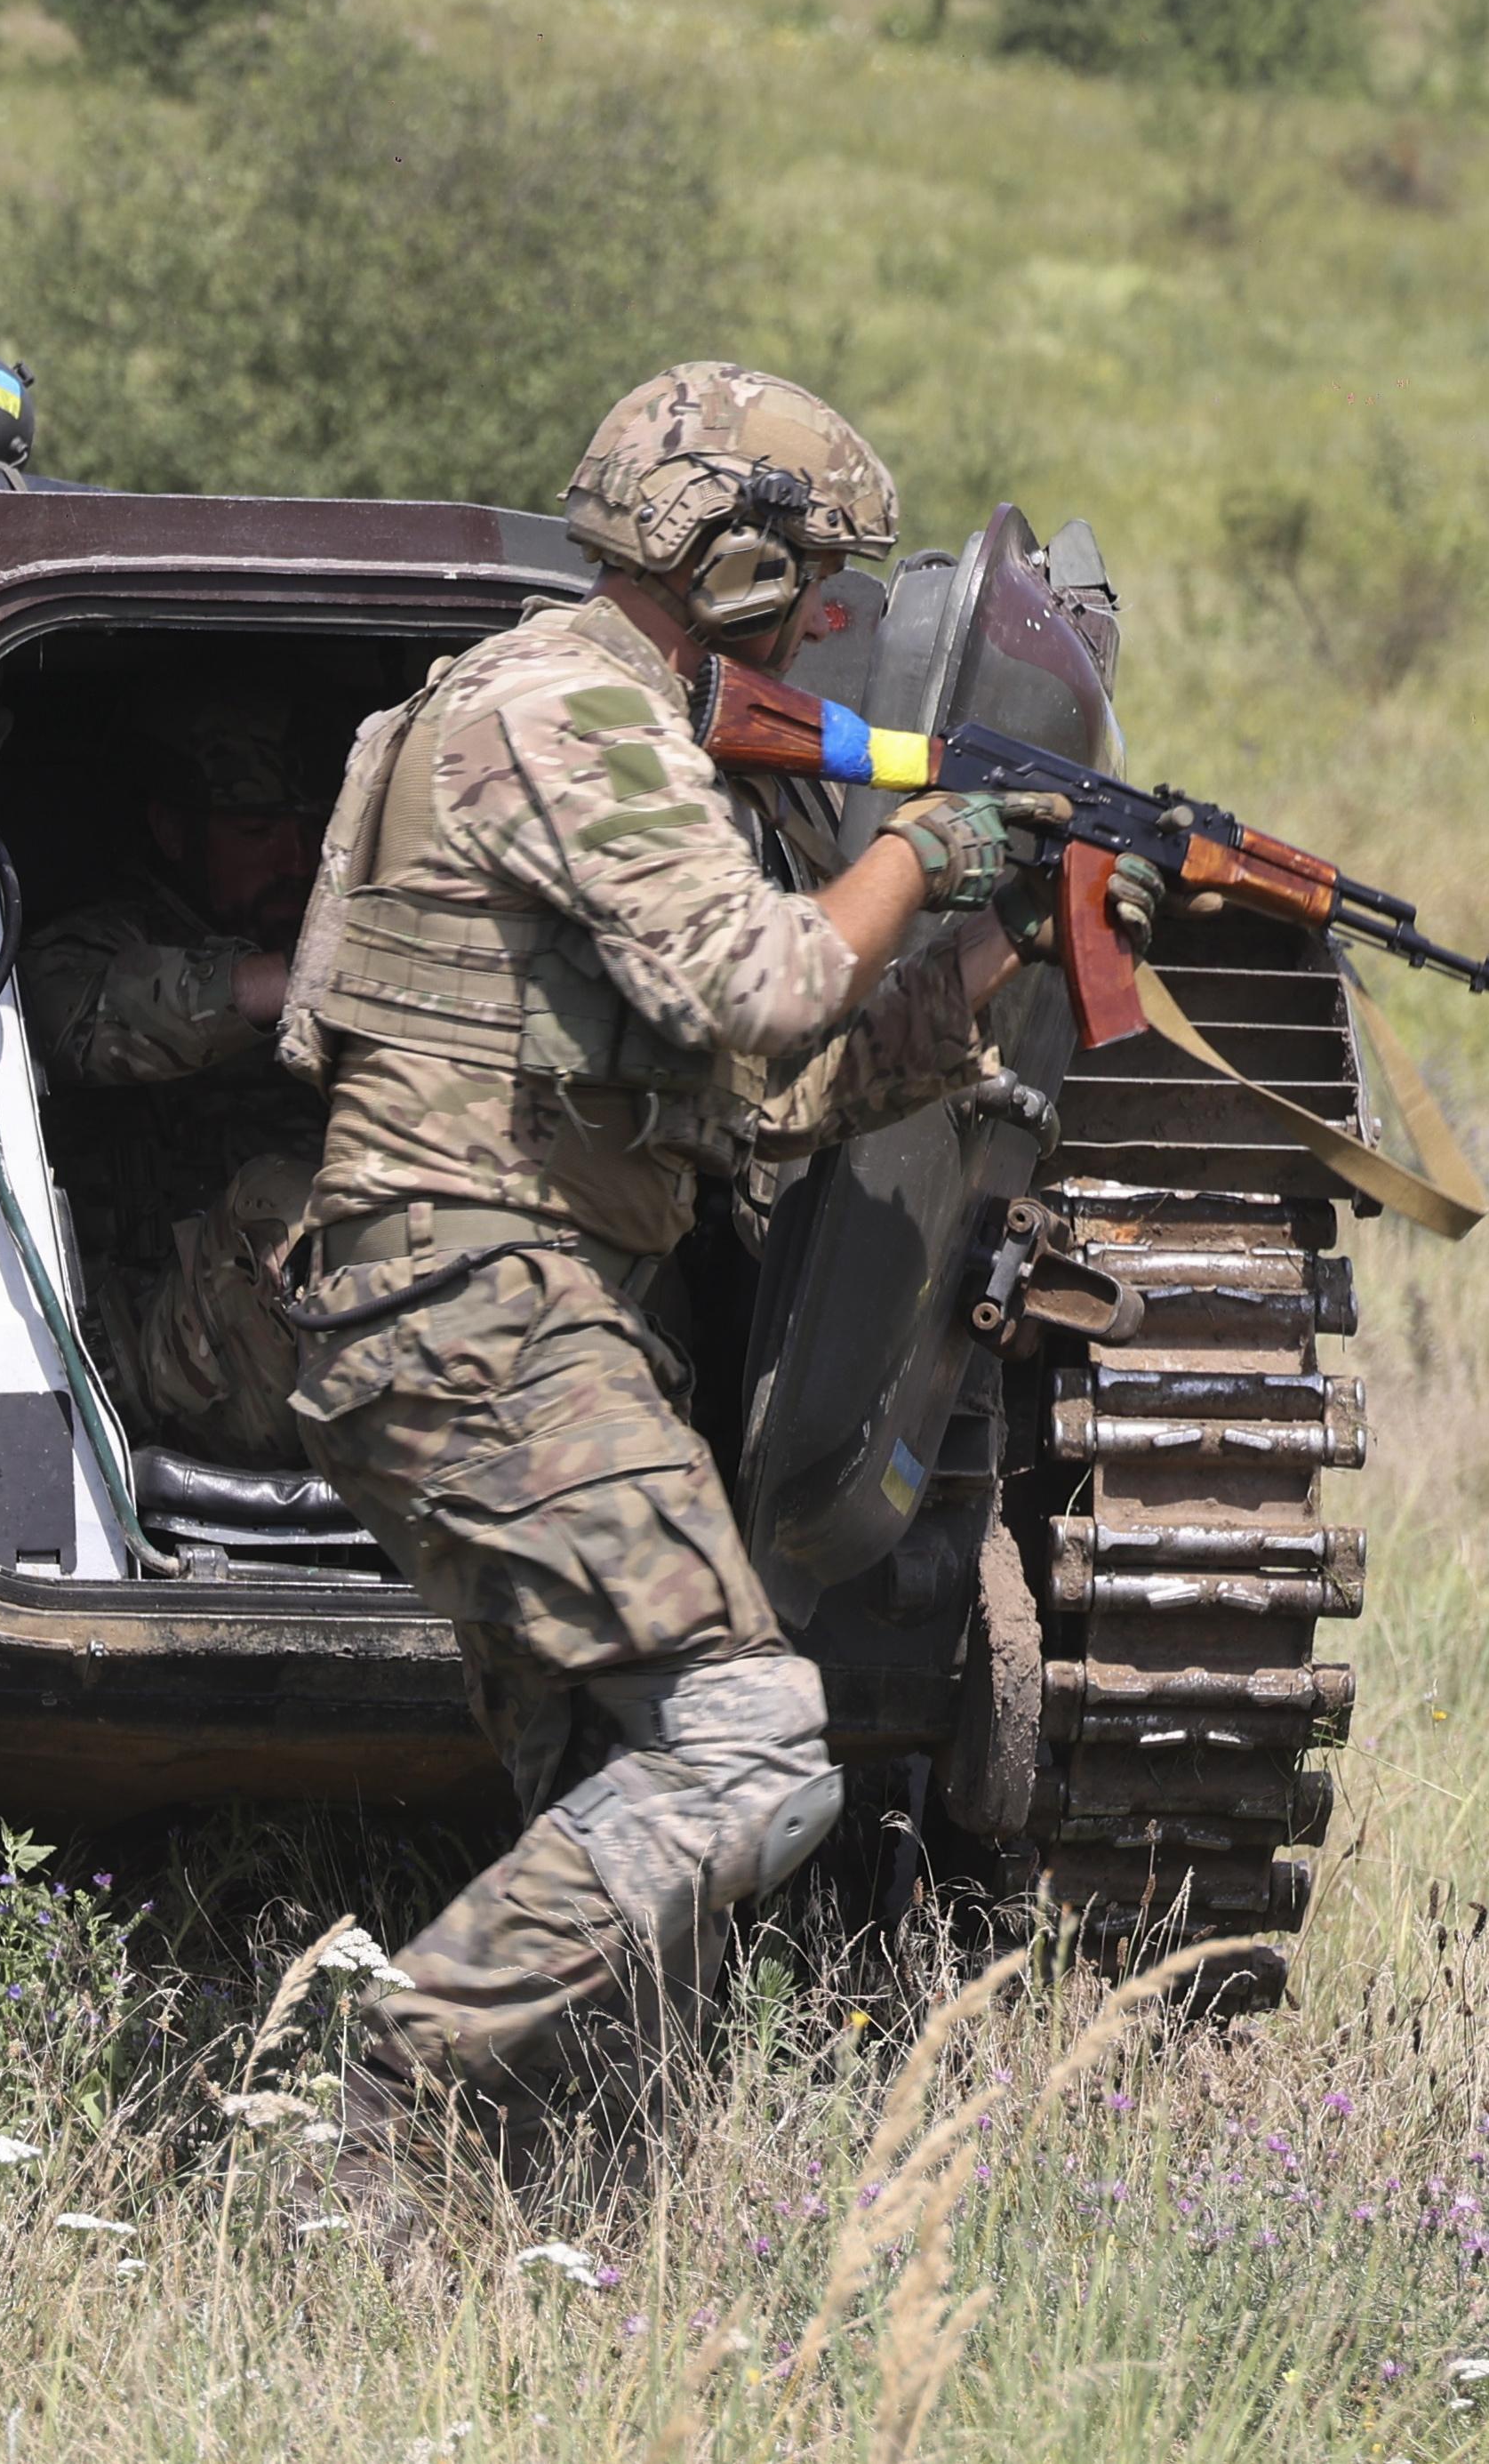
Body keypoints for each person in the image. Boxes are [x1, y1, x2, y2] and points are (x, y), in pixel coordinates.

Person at [275, 361, 1155, 2147]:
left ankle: (534, 2217)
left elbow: (773, 1095)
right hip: (472, 1292)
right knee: (750, 1748)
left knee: (621, 1800)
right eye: (810, 573)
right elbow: (751, 982)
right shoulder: (562, 705)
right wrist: (922, 848)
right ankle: (368, 2084)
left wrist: (1004, 955)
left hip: (526, 1295)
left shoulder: (635, 729)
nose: (828, 615)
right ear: (722, 553)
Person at [20, 690, 329, 1475]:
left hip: (305, 1334)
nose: (294, 860)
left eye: (307, 830)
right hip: (153, 1349)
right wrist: (302, 984)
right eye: (258, 832)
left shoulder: (328, 932)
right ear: (171, 830)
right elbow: (81, 1018)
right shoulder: (96, 943)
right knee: (283, 1199)